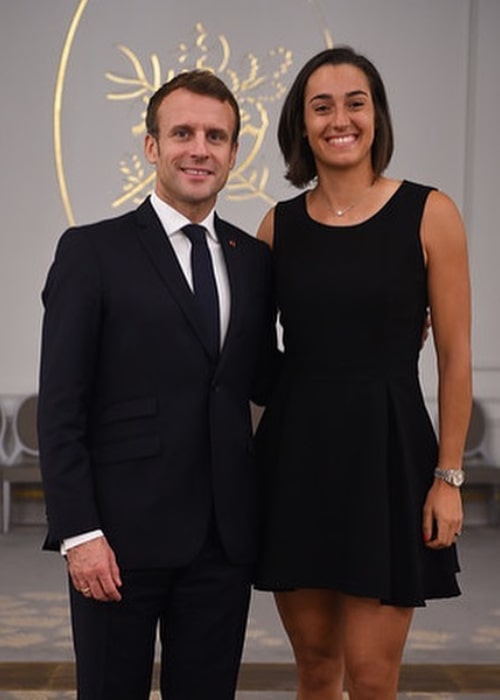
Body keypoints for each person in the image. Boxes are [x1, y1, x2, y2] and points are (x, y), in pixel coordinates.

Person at [37, 70, 276, 700]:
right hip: (116, 543)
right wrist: (79, 534)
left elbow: (266, 377)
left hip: (222, 544)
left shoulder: (252, 261)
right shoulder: (91, 253)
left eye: (216, 136)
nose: (200, 148)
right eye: (183, 133)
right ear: (152, 147)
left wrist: (375, 333)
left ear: (232, 153)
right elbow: (61, 408)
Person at [254, 46, 472, 700]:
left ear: (377, 115)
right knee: (315, 670)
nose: (339, 119)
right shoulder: (278, 226)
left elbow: (456, 357)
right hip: (297, 461)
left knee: (374, 679)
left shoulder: (430, 212)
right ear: (302, 122)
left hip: (388, 456)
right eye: (321, 106)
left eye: (355, 102)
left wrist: (449, 478)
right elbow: (253, 360)